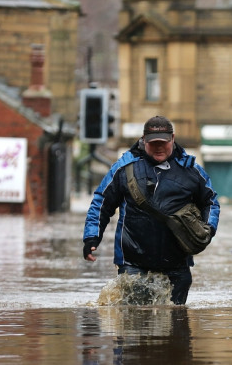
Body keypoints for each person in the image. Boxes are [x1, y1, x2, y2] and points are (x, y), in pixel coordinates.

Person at [82, 115, 220, 305]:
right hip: (133, 262)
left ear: (173, 139)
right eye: (153, 143)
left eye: (163, 142)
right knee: (132, 324)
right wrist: (92, 237)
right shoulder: (124, 168)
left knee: (176, 324)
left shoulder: (192, 171)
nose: (159, 147)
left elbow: (210, 201)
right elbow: (101, 202)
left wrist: (209, 229)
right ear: (143, 140)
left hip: (177, 263)